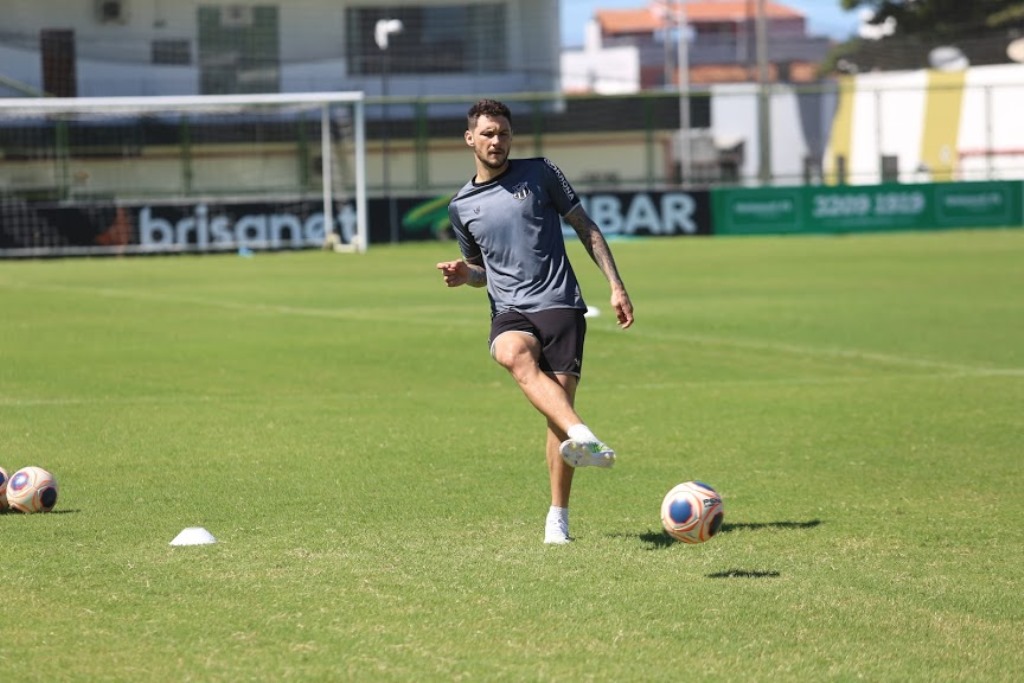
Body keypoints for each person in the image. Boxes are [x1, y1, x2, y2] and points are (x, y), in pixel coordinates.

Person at [436, 99, 634, 545]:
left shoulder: (541, 172)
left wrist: (616, 285)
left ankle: (557, 518)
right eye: (487, 133)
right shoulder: (461, 206)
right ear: (470, 138)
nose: (496, 141)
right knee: (511, 353)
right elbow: (481, 269)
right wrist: (466, 275)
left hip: (559, 303)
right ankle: (584, 435)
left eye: (503, 133)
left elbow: (586, 226)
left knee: (554, 413)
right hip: (510, 310)